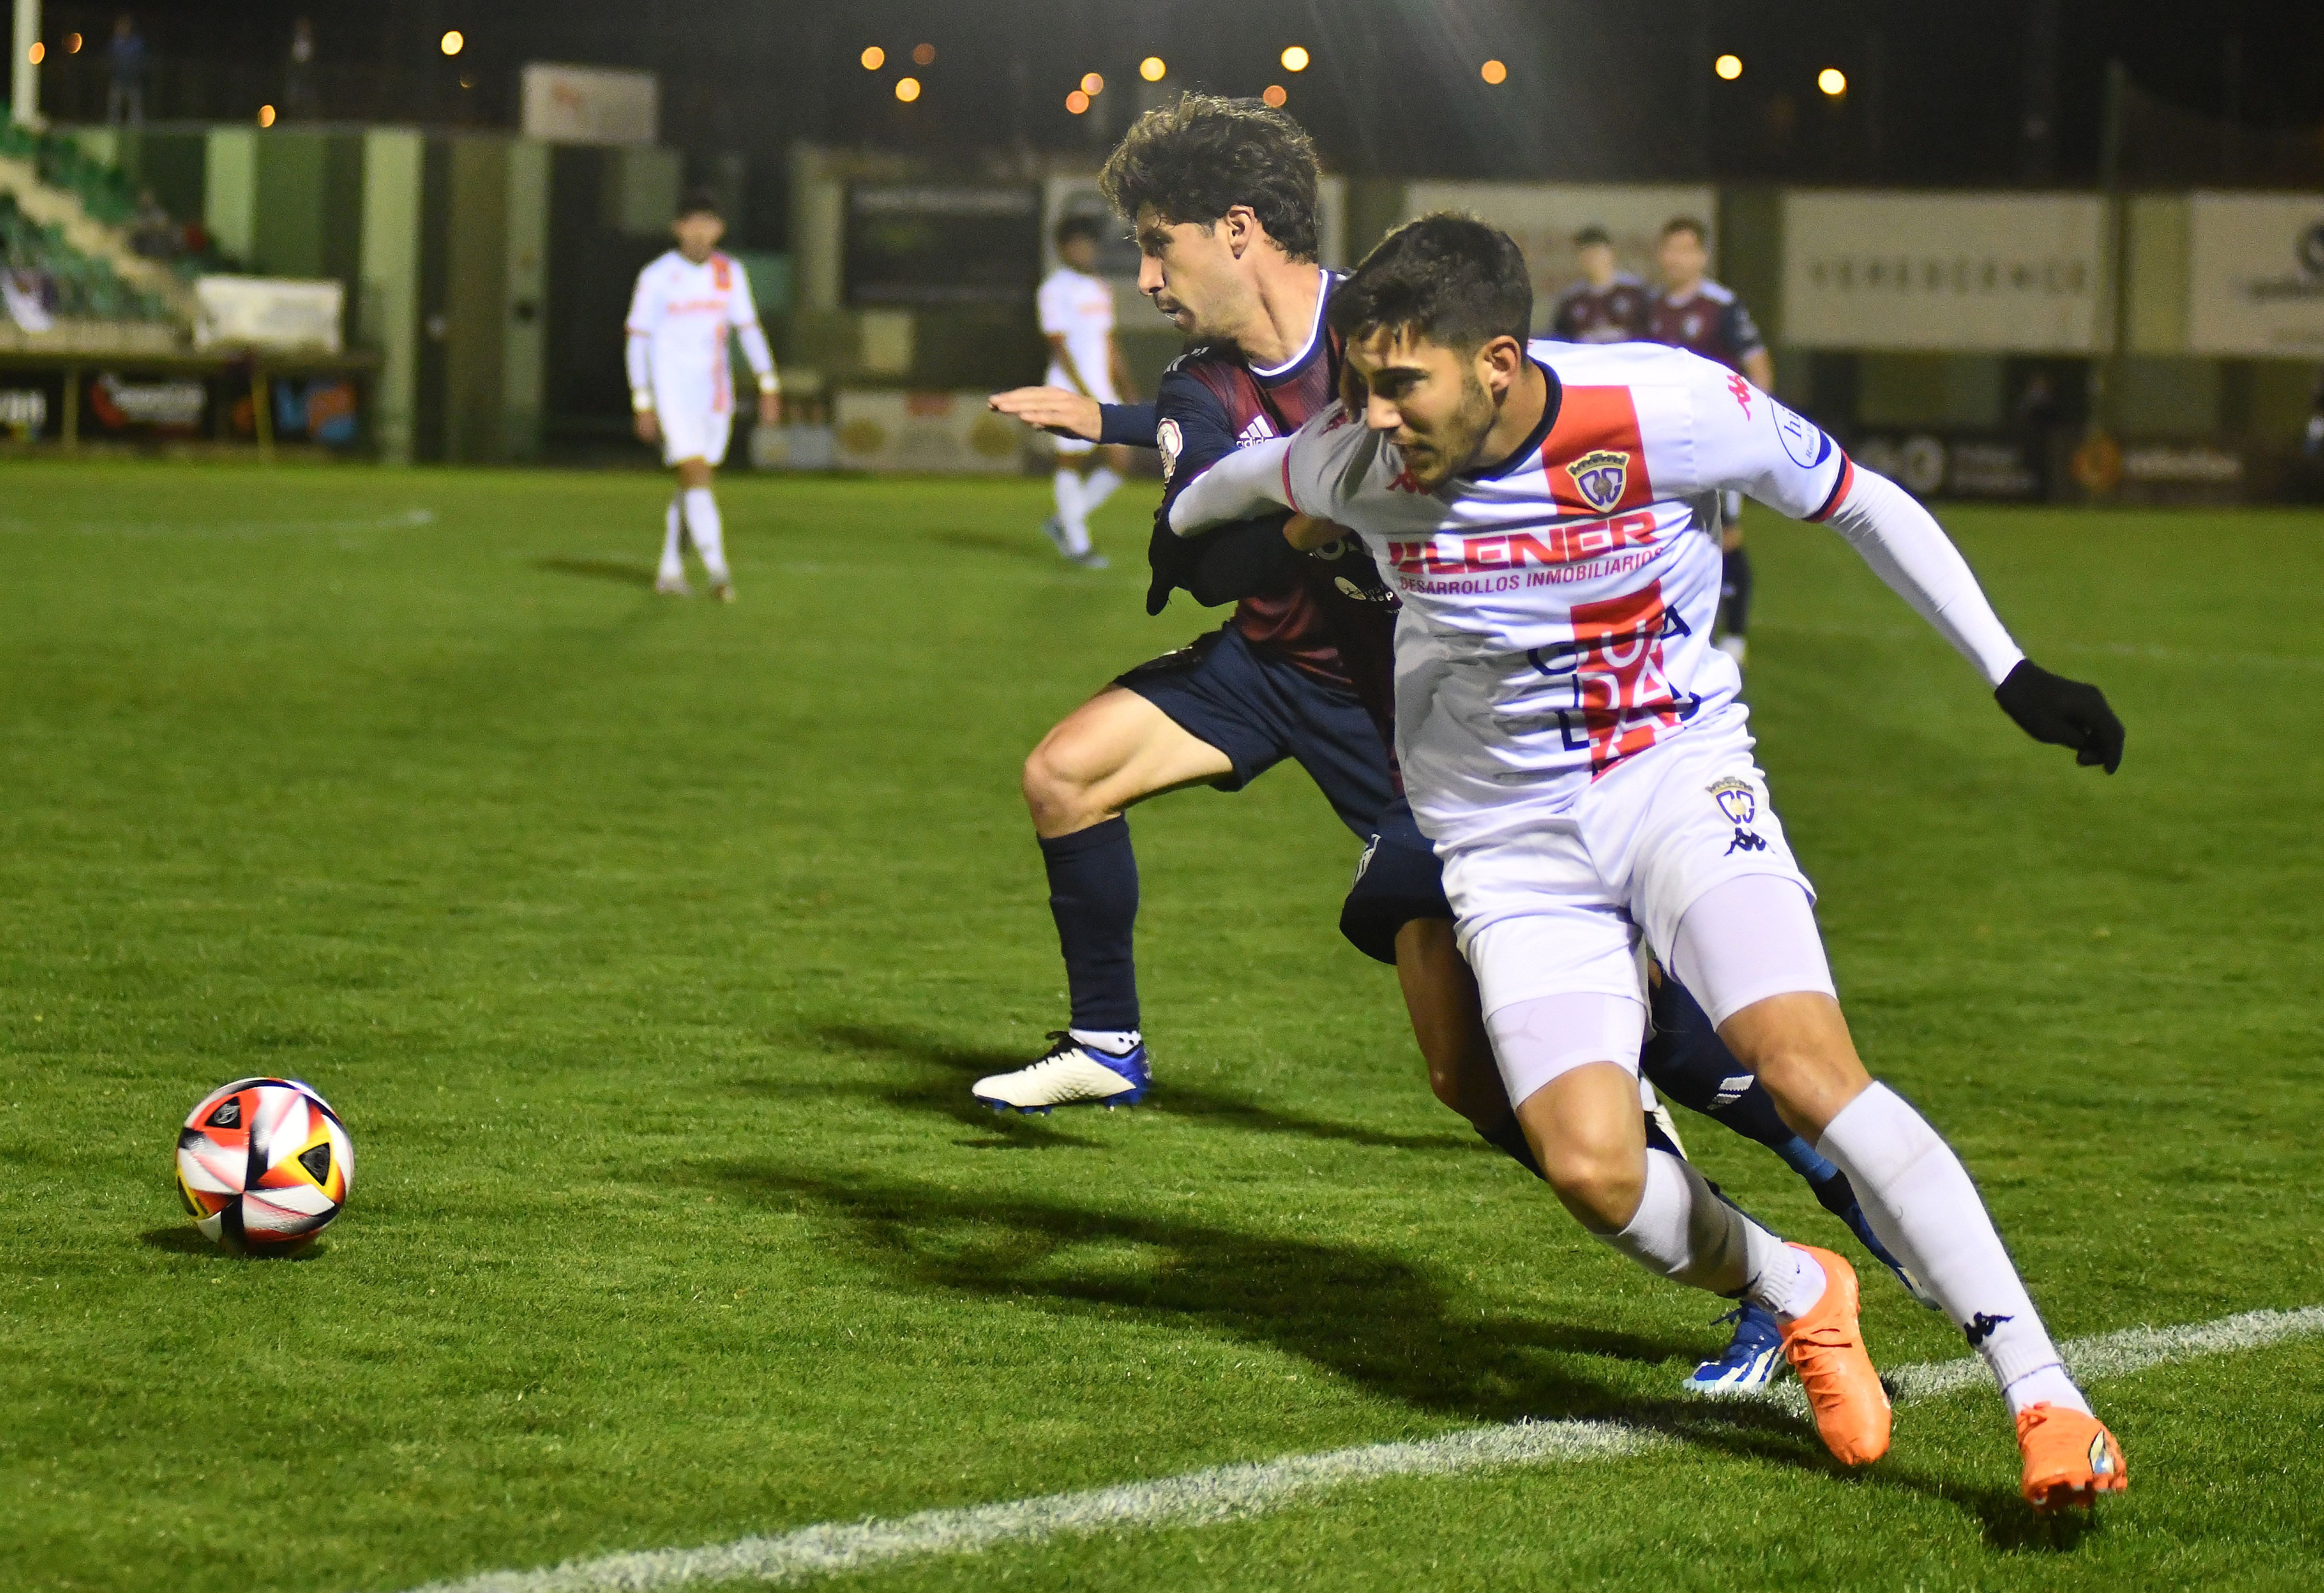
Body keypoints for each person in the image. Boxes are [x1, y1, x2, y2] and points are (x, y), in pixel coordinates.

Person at [1168, 212, 2130, 1509]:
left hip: (1675, 779)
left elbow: (1858, 500)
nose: (1373, 413)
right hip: (1508, 842)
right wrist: (1182, 527)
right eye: (1359, 384)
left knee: (1805, 1070)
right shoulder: (1354, 459)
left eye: (1403, 384)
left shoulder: (1666, 408)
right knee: (1591, 1168)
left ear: (1498, 362)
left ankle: (2049, 1401)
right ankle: (1799, 1287)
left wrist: (2009, 669)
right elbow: (1237, 486)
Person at [985, 100, 1924, 1401]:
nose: (1145, 278)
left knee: (1622, 1039)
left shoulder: (1396, 318)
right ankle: (1110, 1045)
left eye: (1158, 245)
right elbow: (1212, 543)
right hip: (1273, 673)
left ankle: (1844, 1190)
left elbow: (1541, 441)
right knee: (1074, 778)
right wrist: (1247, 492)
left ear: (1238, 232)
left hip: (1450, 733)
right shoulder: (1196, 384)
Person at [624, 191, 778, 602]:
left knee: (693, 484)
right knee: (696, 476)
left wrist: (768, 383)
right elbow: (638, 340)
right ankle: (718, 572)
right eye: (691, 221)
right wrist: (643, 400)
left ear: (719, 229)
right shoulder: (657, 276)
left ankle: (670, 571)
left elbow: (748, 328)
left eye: (707, 222)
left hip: (714, 393)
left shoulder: (730, 272)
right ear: (677, 228)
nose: (699, 230)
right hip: (672, 392)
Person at [1648, 217, 1771, 667]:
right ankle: (1679, 628)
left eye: (1686, 249)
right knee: (1669, 535)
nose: (1677, 258)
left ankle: (1735, 633)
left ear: (1702, 256)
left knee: (1728, 536)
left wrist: (1750, 429)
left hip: (1717, 444)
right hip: (1667, 445)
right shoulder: (1654, 308)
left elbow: (1758, 368)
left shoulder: (1722, 306)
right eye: (1670, 249)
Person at [1035, 215, 1134, 569]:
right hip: (1067, 389)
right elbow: (1059, 346)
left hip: (1101, 389)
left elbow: (1109, 342)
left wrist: (1124, 386)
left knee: (1122, 461)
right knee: (1070, 460)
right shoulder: (1054, 289)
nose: (1085, 250)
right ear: (1064, 249)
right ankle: (1078, 545)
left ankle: (1064, 521)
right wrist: (1082, 392)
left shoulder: (1099, 288)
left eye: (1089, 244)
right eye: (1077, 244)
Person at [1549, 225, 1650, 345]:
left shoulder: (1635, 292)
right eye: (1586, 254)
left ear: (1612, 253)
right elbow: (1561, 341)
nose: (1592, 259)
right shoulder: (1571, 299)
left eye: (1597, 252)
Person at [105, 16, 148, 127]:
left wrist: (139, 72)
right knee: (114, 108)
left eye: (126, 25)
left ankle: (136, 131)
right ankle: (113, 130)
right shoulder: (115, 43)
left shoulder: (137, 43)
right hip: (118, 79)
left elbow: (142, 60)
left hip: (134, 80)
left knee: (136, 111)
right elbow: (110, 60)